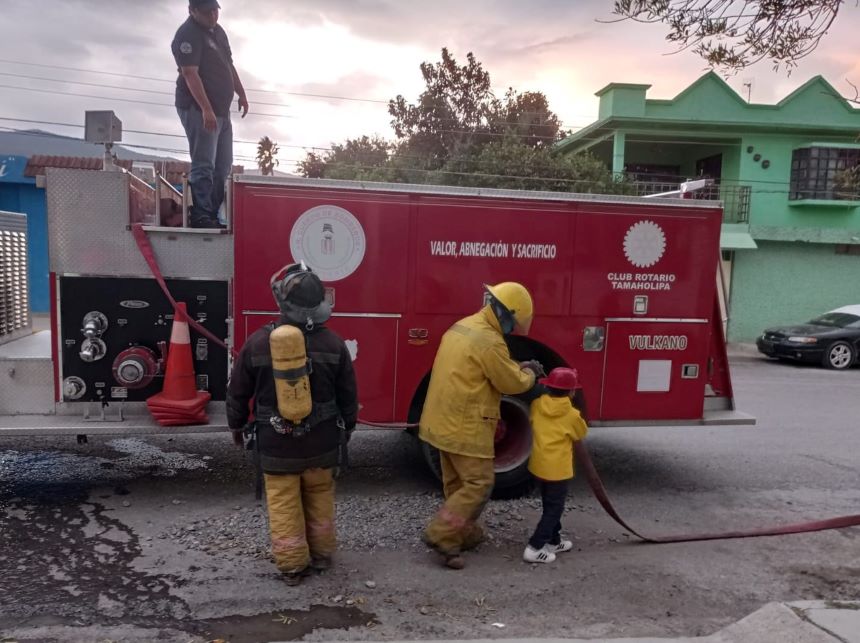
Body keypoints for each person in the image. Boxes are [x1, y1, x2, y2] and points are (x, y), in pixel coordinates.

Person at [226, 263, 358, 585]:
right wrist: (347, 431)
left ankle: (293, 567)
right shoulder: (335, 345)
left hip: (276, 445)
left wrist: (237, 427)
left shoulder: (257, 343)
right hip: (323, 445)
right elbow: (348, 397)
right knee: (320, 497)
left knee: (284, 504)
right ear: (319, 306)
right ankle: (323, 555)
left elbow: (237, 392)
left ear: (282, 304)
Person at [420, 282, 544, 570]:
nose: (512, 328)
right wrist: (530, 377)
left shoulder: (463, 326)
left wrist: (516, 365)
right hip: (465, 424)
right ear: (507, 314)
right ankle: (442, 534)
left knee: (457, 484)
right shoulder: (490, 340)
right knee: (479, 483)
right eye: (513, 322)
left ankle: (463, 533)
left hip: (439, 421)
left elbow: (487, 365)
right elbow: (509, 381)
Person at [171, 0, 249, 229]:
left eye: (215, 10)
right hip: (198, 109)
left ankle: (212, 213)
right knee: (204, 163)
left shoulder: (218, 31)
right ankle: (201, 214)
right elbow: (190, 74)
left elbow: (229, 65)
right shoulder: (187, 34)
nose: (213, 16)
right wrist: (206, 109)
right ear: (192, 11)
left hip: (222, 111)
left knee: (223, 165)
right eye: (207, 13)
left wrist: (241, 93)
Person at [523, 367, 588, 564]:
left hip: (538, 465)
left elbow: (533, 421)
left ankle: (554, 541)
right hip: (558, 470)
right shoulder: (572, 415)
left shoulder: (536, 405)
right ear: (571, 392)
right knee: (555, 509)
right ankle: (534, 547)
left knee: (549, 504)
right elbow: (580, 434)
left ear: (549, 387)